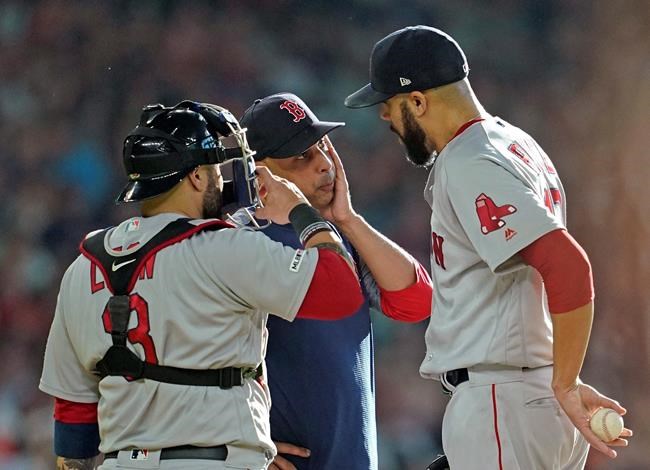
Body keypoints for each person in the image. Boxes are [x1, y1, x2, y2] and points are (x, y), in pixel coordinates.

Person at [344, 25, 633, 469]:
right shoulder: (518, 144)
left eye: (390, 105)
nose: (384, 117)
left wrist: (566, 382)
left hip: (504, 401)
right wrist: (559, 378)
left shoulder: (469, 160)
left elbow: (569, 266)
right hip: (527, 394)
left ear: (418, 101)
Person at [39, 100, 366, 470]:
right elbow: (339, 290)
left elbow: (73, 414)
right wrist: (299, 209)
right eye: (215, 169)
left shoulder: (82, 267)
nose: (223, 179)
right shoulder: (223, 248)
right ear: (196, 176)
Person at [239, 93, 433, 469]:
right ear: (259, 171)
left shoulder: (334, 237)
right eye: (302, 157)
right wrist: (242, 437)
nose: (325, 165)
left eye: (322, 149)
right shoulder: (237, 242)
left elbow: (416, 302)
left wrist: (348, 220)